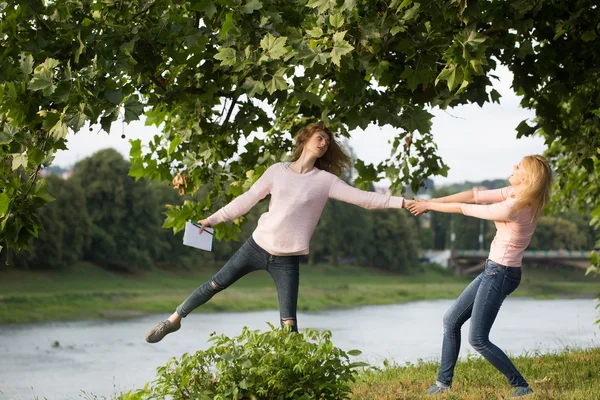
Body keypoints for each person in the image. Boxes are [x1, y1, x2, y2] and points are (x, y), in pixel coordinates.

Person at [145, 121, 413, 343]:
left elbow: (365, 199)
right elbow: (246, 200)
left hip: (287, 259)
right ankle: (172, 321)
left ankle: (293, 377)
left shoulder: (325, 181)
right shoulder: (277, 171)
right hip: (256, 246)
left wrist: (402, 202)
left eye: (327, 142)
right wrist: (212, 220)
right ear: (305, 139)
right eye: (320, 138)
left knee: (289, 320)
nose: (323, 144)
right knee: (214, 284)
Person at [407, 155, 552, 398]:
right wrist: (430, 200)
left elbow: (466, 208)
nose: (513, 167)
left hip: (501, 273)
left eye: (518, 167)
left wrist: (428, 206)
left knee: (478, 338)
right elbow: (473, 195)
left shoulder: (514, 207)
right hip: (494, 269)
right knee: (451, 321)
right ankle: (443, 384)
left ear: (526, 177)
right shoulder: (517, 194)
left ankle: (521, 386)